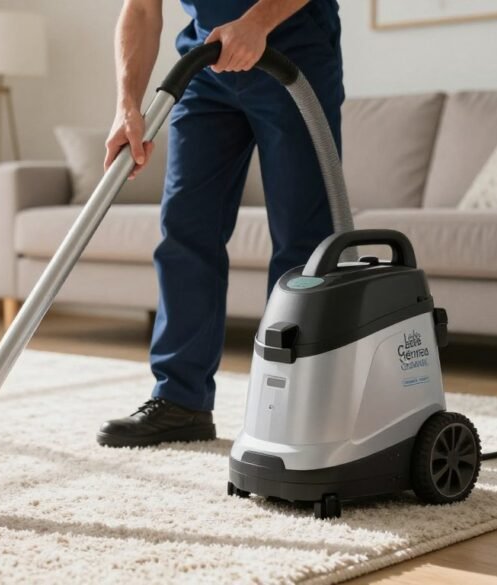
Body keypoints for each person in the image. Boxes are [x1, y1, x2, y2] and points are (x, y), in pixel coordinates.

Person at [96, 0, 344, 447]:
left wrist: (256, 23)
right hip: (205, 61)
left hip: (292, 46)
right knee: (186, 230)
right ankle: (180, 400)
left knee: (303, 243)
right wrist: (127, 105)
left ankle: (293, 404)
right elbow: (141, 9)